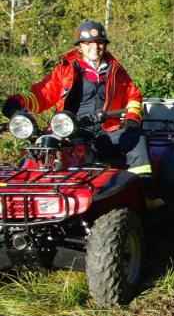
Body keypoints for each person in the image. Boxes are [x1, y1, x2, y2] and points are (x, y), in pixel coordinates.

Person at [2, 20, 161, 208]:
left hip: (107, 129)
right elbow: (43, 93)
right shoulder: (67, 69)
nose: (95, 47)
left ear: (105, 45)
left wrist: (132, 118)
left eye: (99, 42)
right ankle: (25, 203)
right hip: (70, 130)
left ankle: (145, 195)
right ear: (79, 46)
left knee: (137, 141)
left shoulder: (115, 70)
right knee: (38, 154)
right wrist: (17, 102)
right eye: (88, 43)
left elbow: (133, 95)